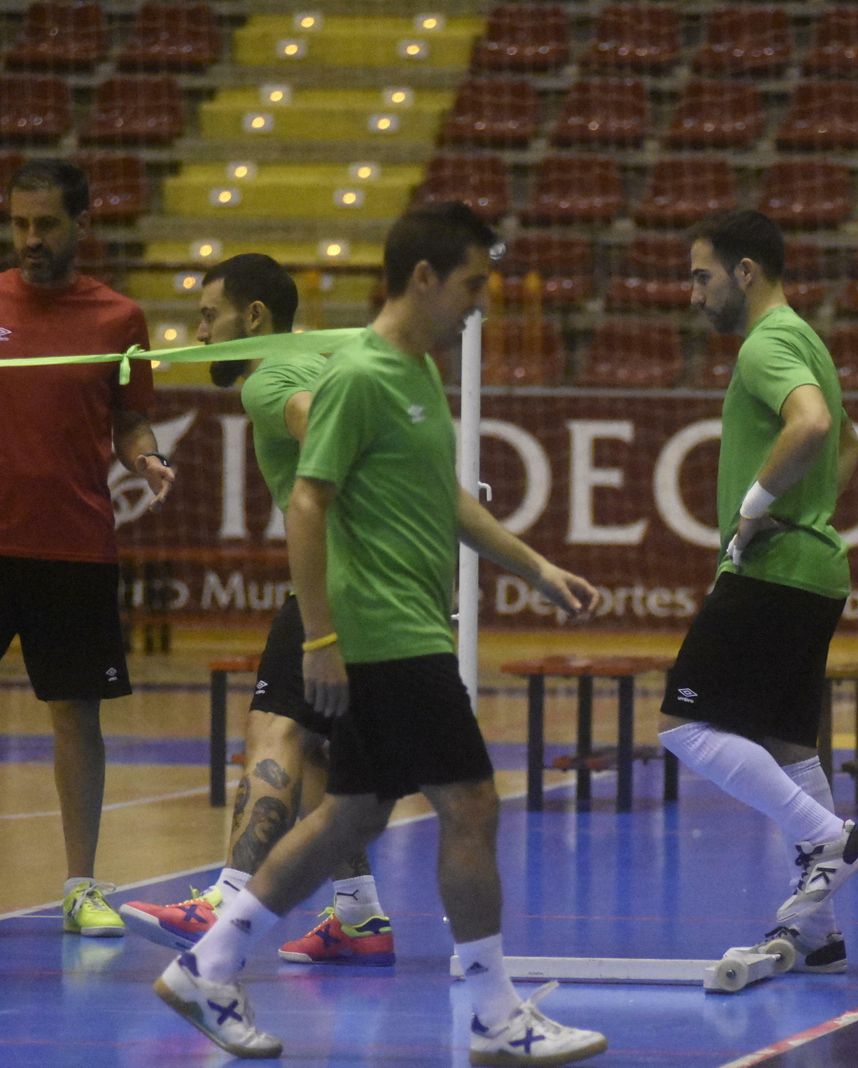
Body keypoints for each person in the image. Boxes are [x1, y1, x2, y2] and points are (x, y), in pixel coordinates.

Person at [152, 203, 607, 1065]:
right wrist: (321, 641)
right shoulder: (358, 376)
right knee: (471, 804)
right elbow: (308, 501)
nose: (481, 303)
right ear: (424, 278)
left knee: (349, 816)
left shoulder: (417, 371)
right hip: (386, 630)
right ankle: (493, 1013)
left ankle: (206, 966)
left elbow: (446, 500)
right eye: (472, 284)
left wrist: (535, 567)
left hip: (403, 624)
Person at [120, 254, 395, 967]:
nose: (199, 332)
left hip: (338, 580)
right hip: (382, 581)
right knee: (317, 750)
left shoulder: (269, 380)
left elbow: (322, 425)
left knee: (276, 727)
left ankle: (226, 900)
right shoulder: (324, 357)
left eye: (209, 316)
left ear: (254, 318)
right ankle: (360, 917)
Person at [657, 209, 858, 971]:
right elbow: (849, 443)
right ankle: (819, 931)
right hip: (814, 571)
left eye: (702, 277)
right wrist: (809, 511)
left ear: (745, 272)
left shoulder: (767, 342)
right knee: (789, 749)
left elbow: (812, 425)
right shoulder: (806, 337)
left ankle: (830, 840)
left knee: (684, 724)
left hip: (773, 570)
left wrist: (756, 509)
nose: (694, 295)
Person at [0, 158, 174, 938]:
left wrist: (145, 458)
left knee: (76, 716)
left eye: (46, 224)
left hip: (72, 546)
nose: (31, 238)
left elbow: (130, 419)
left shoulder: (119, 319)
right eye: (19, 223)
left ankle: (79, 886)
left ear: (81, 224)